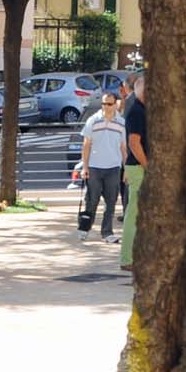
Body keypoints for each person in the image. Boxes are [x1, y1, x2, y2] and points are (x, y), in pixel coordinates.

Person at [74, 91, 127, 238]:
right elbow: (86, 144)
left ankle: (107, 232)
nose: (106, 107)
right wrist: (85, 167)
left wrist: (126, 168)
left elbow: (123, 147)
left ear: (115, 104)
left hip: (113, 167)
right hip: (95, 167)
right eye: (103, 103)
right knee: (92, 200)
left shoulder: (121, 123)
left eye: (109, 104)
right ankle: (84, 229)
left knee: (111, 202)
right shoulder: (93, 120)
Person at [119, 73, 149, 271]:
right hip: (138, 167)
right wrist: (148, 165)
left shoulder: (141, 109)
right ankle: (128, 258)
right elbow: (134, 143)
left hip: (138, 166)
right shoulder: (137, 111)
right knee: (134, 212)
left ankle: (134, 255)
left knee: (139, 212)